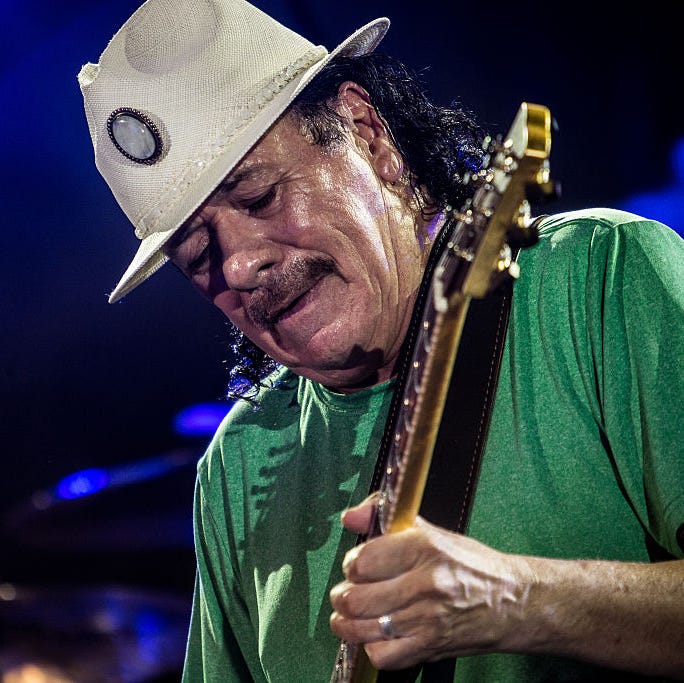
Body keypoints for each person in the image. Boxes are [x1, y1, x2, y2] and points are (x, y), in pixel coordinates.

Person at [77, 0, 684, 680]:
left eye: (259, 198)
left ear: (368, 133)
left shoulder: (604, 280)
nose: (240, 265)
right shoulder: (237, 466)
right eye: (198, 257)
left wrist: (519, 600)